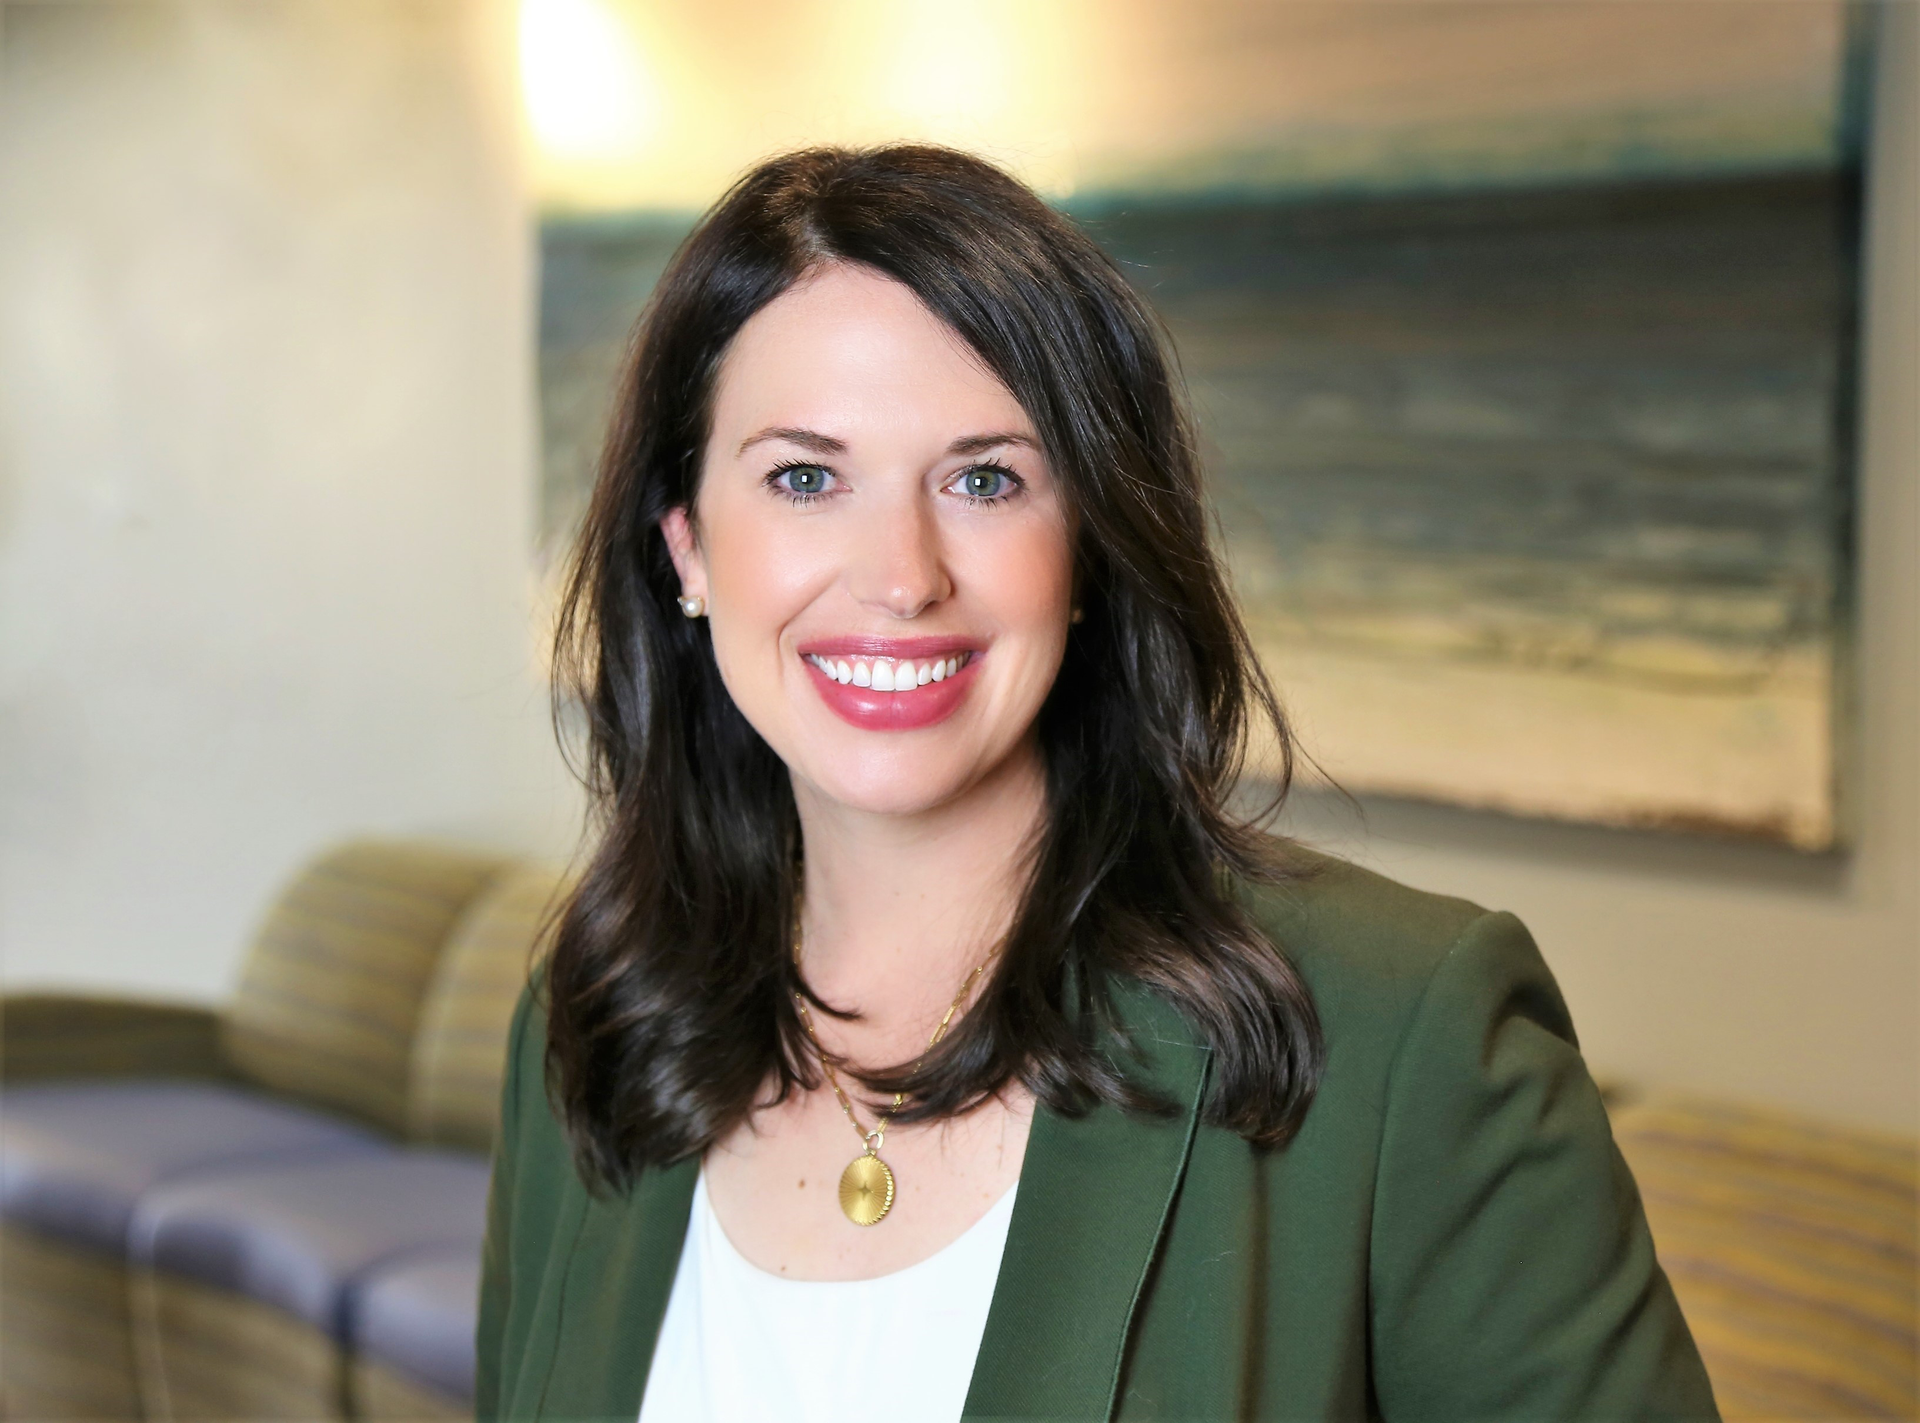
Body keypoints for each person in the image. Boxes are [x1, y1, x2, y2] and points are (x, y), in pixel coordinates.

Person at [476, 144, 1718, 1423]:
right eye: (806, 476)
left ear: (1086, 553)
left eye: (984, 479)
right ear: (686, 545)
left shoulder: (1406, 1039)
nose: (901, 574)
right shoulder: (595, 1016)